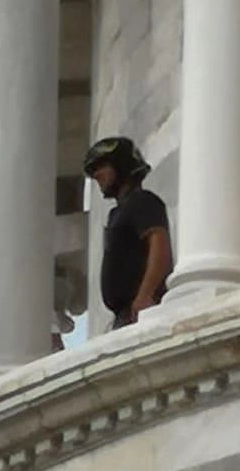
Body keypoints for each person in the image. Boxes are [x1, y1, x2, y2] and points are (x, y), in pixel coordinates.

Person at [83, 136, 173, 330]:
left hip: (142, 312)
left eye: (101, 167)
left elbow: (159, 246)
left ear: (121, 165)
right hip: (125, 315)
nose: (97, 175)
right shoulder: (117, 212)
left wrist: (145, 295)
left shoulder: (142, 201)